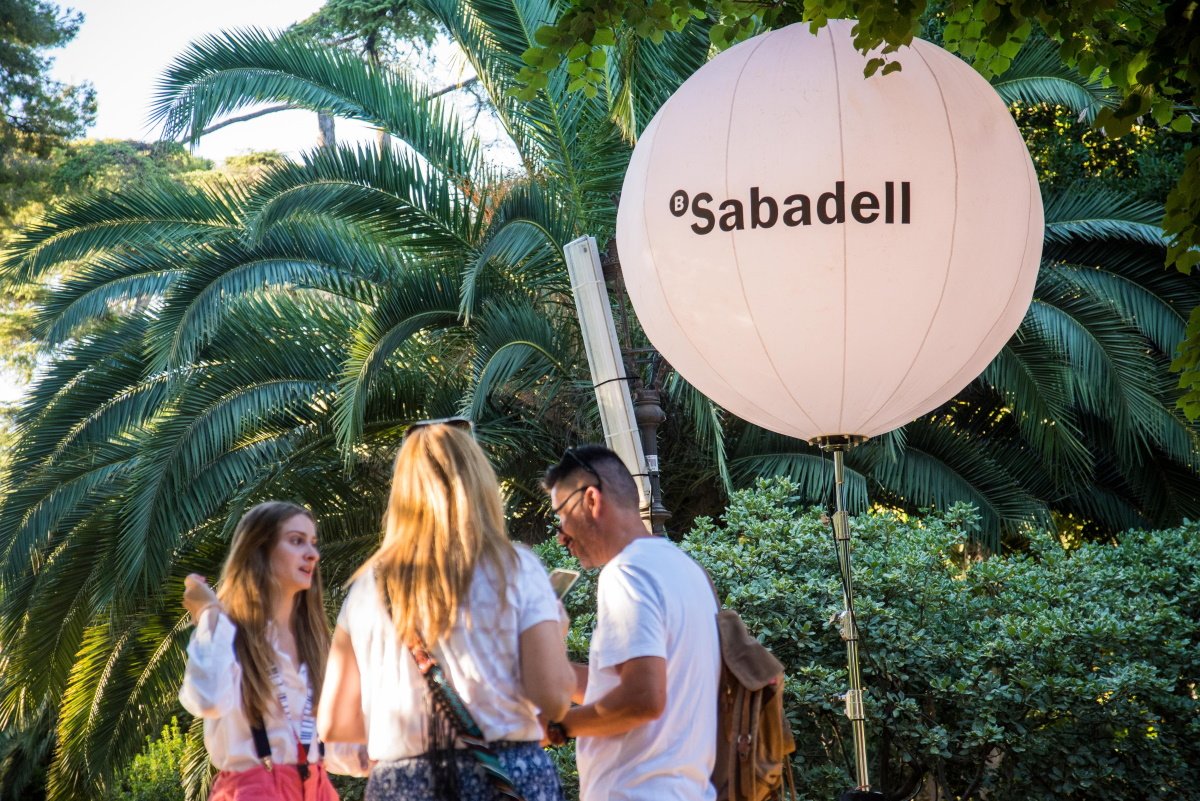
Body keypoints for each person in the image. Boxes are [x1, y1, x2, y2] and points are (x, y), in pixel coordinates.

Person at [318, 419, 575, 801]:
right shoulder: (514, 568)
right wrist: (556, 632)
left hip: (402, 783)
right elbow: (552, 698)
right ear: (479, 482)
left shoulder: (368, 587)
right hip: (504, 774)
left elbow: (336, 724)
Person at [541, 445, 720, 801]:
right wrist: (548, 670)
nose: (561, 536)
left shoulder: (626, 573)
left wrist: (558, 727)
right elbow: (635, 683)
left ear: (591, 499)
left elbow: (643, 699)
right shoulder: (685, 568)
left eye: (561, 515)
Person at [180, 500, 361, 801]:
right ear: (260, 550)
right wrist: (210, 613)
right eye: (296, 541)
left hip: (317, 789)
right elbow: (207, 698)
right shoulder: (229, 633)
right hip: (254, 790)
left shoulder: (314, 642)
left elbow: (333, 744)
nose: (312, 554)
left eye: (313, 543)